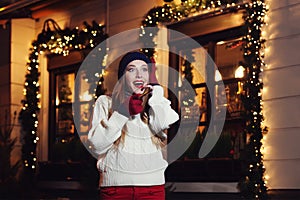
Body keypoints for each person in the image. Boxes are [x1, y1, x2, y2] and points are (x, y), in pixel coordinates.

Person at [88, 51, 179, 200]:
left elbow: (164, 122)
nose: (139, 75)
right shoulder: (105, 102)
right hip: (116, 189)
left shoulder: (154, 104)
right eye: (131, 69)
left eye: (144, 69)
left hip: (152, 189)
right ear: (123, 76)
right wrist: (123, 112)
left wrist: (156, 89)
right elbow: (97, 145)